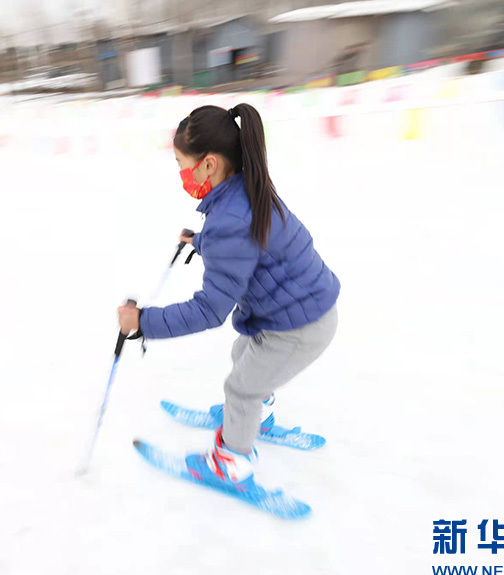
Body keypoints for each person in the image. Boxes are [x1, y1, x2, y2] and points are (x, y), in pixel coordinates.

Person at [117, 103, 340, 492]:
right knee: (244, 355)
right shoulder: (247, 188)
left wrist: (142, 322)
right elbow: (247, 245)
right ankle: (255, 417)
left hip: (301, 326)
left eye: (181, 164)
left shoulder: (229, 220)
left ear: (209, 164)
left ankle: (231, 462)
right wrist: (202, 242)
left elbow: (210, 310)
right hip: (296, 309)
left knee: (242, 387)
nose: (181, 175)